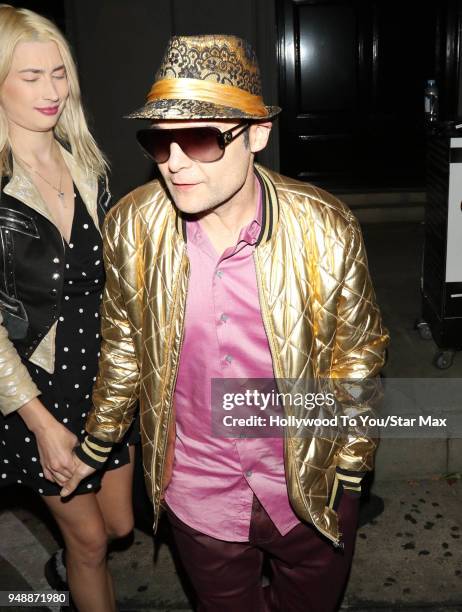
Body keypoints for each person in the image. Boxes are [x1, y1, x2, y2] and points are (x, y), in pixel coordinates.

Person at [65, 35, 389, 611]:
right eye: (160, 142)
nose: (176, 162)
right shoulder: (131, 228)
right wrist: (97, 442)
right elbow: (123, 347)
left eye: (202, 138)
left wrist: (352, 462)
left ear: (258, 134)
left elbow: (357, 353)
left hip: (309, 487)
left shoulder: (323, 225)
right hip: (198, 493)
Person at [0, 5, 137, 611]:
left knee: (118, 528)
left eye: (59, 73)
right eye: (31, 77)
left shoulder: (87, 162)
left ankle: (67, 567)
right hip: (34, 388)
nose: (52, 90)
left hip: (103, 376)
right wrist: (40, 424)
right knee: (90, 542)